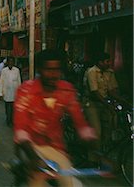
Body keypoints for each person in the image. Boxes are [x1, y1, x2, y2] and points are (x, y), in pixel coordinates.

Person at [13, 49, 96, 187]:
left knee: (70, 184)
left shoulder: (67, 90)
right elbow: (20, 129)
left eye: (57, 69)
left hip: (55, 148)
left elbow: (79, 120)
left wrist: (90, 139)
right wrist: (33, 157)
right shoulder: (26, 91)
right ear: (40, 70)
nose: (53, 75)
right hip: (29, 147)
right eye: (48, 70)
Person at [84, 52, 122, 153]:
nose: (109, 63)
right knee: (97, 131)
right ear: (100, 62)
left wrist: (122, 101)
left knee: (108, 130)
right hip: (92, 103)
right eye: (107, 61)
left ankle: (104, 154)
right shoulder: (92, 72)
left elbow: (112, 90)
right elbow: (94, 92)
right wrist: (108, 104)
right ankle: (92, 158)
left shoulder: (109, 72)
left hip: (104, 102)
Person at [0, 57, 21, 126]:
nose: (11, 63)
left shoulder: (16, 70)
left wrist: (20, 92)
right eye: (9, 62)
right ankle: (8, 120)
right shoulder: (4, 71)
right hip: (7, 91)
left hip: (14, 91)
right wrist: (0, 93)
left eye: (12, 62)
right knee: (8, 107)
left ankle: (12, 120)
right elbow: (1, 82)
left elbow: (19, 81)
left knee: (13, 107)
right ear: (7, 63)